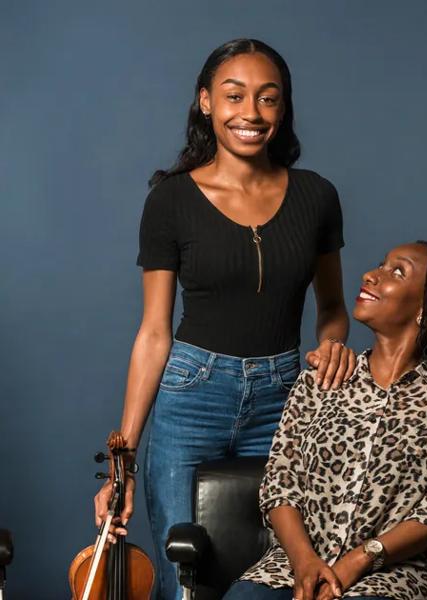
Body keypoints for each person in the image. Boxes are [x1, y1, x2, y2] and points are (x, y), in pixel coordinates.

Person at [93, 38, 356, 600]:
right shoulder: (171, 200)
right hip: (191, 395)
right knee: (180, 572)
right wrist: (124, 460)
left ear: (282, 109)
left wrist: (333, 345)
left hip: (285, 398)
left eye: (268, 99)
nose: (251, 114)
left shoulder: (317, 196)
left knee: (281, 573)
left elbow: (333, 310)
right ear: (207, 102)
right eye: (235, 96)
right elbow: (154, 332)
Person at [224, 241, 427, 600]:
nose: (371, 275)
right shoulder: (321, 380)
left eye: (398, 272)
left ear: (425, 309)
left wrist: (361, 558)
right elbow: (280, 484)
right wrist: (305, 563)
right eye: (380, 264)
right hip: (292, 566)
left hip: (395, 576)